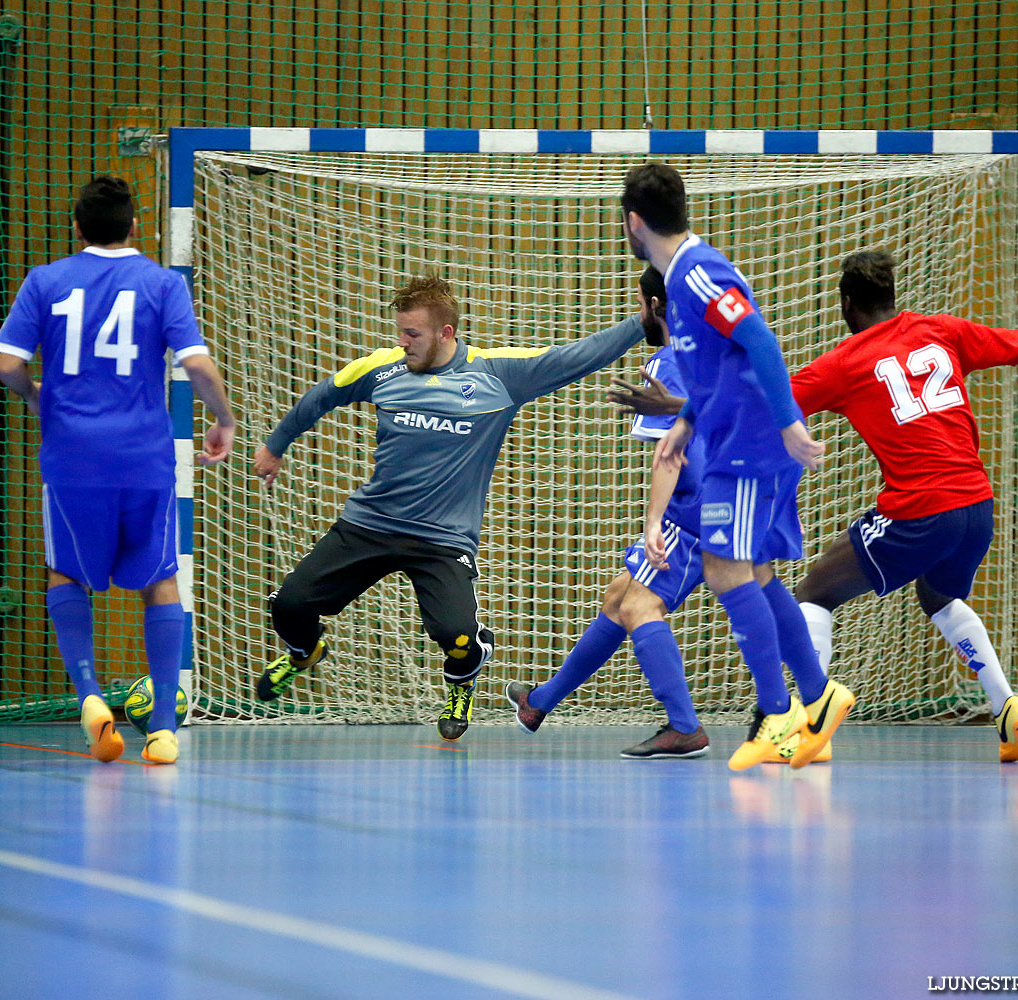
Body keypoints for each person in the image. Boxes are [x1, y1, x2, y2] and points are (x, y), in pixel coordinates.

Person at [252, 275, 657, 741]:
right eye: (400, 332)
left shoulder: (496, 375)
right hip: (369, 526)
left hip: (441, 541)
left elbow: (575, 356)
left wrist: (640, 323)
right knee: (288, 608)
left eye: (413, 335)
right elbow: (322, 396)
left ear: (446, 333)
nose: (402, 343)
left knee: (459, 637)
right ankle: (304, 654)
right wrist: (276, 445)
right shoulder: (383, 369)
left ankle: (461, 681)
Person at [506, 268, 835, 763]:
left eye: (640, 303)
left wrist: (654, 522)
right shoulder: (719, 348)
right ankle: (542, 703)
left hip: (700, 509)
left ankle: (688, 726)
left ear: (655, 306)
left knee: (639, 606)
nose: (638, 312)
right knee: (628, 594)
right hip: (759, 484)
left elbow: (672, 453)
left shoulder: (670, 361)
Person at [791, 250, 1018, 763]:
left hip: (921, 510)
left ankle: (812, 721)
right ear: (892, 298)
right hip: (977, 508)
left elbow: (769, 406)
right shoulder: (940, 330)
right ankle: (1007, 706)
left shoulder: (846, 362)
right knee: (937, 594)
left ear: (847, 305)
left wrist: (679, 411)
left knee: (815, 590)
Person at [0, 175, 237, 766]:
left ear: (77, 228)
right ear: (135, 227)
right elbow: (198, 366)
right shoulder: (160, 283)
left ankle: (92, 697)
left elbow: (6, 365)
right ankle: (162, 729)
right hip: (143, 457)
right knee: (160, 578)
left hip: (72, 457)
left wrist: (36, 397)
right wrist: (223, 418)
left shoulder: (45, 280)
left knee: (65, 575)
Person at [623, 162, 855, 770]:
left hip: (754, 444)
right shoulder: (682, 281)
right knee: (753, 573)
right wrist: (686, 422)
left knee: (725, 570)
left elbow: (759, 341)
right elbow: (721, 368)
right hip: (733, 438)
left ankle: (778, 712)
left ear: (634, 223)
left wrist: (788, 423)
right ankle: (818, 697)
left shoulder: (696, 275)